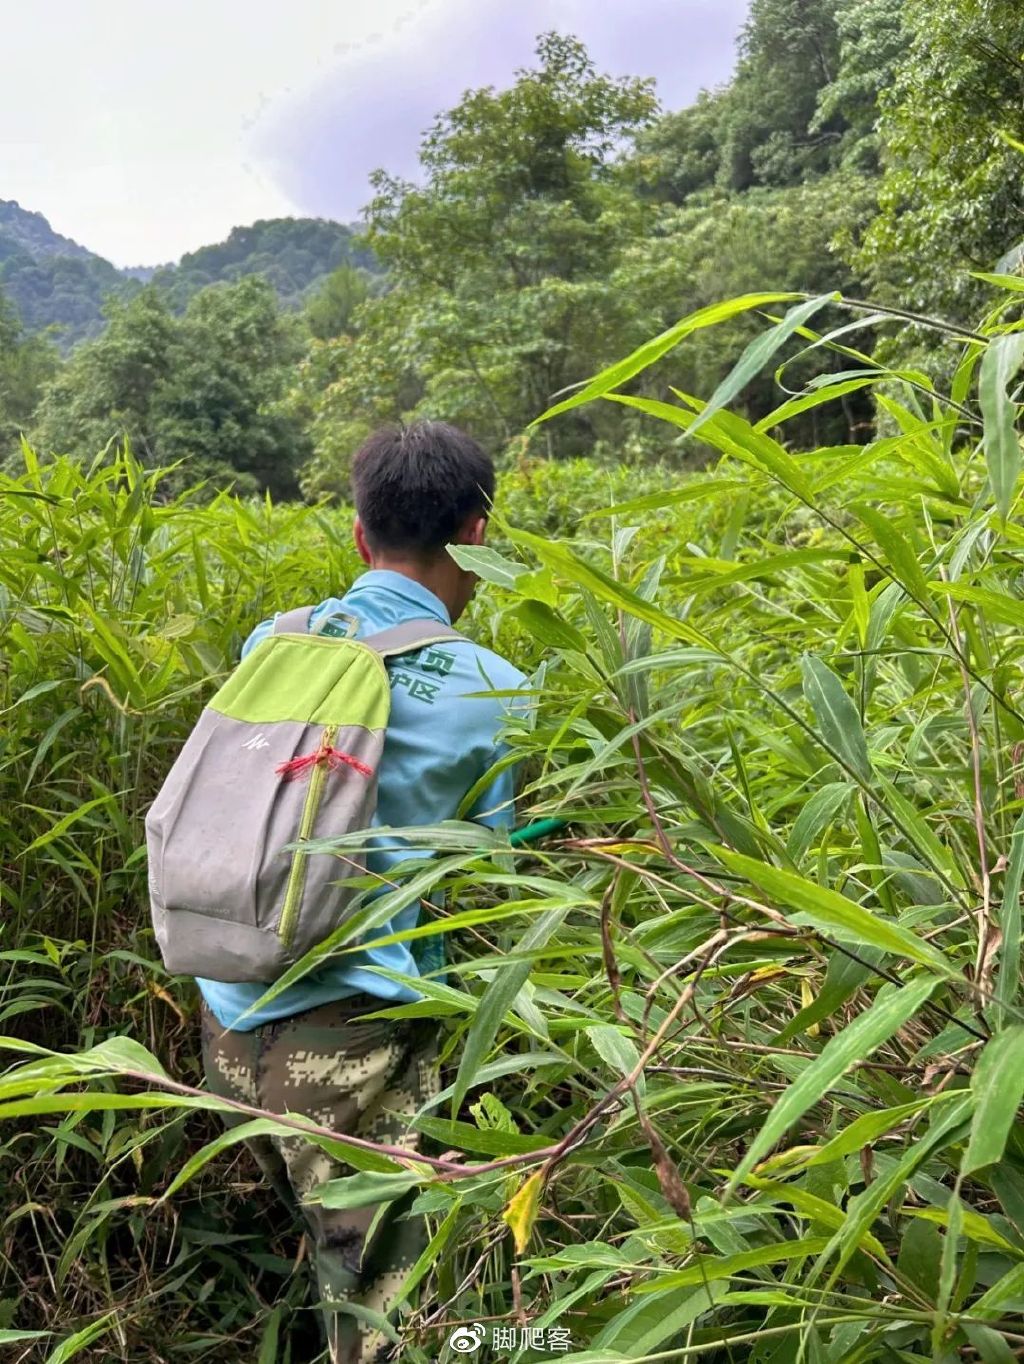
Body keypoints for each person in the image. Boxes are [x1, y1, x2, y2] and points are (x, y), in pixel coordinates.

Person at [197, 421, 527, 1364]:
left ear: (357, 533)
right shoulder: (495, 690)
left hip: (227, 1016)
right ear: (477, 536)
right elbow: (491, 882)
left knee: (324, 1252)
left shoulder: (273, 641)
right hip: (351, 1051)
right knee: (392, 1323)